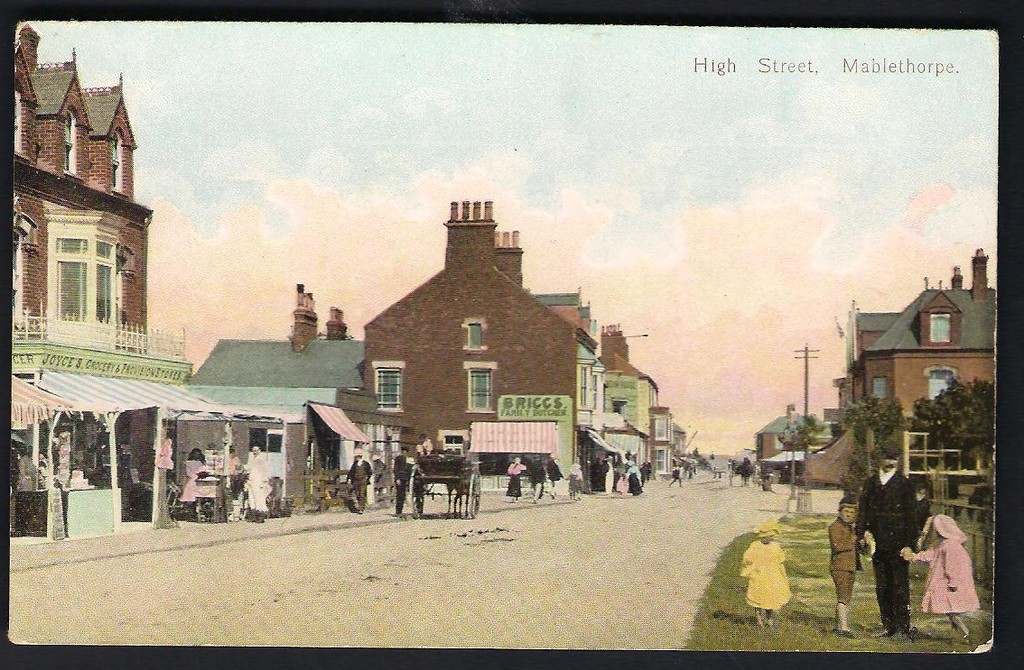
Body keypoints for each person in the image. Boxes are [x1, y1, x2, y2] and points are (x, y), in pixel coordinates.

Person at [856, 446, 919, 640]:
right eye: (886, 457)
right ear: (879, 460)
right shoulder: (870, 483)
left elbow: (912, 517)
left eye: (893, 458)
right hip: (877, 544)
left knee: (899, 586)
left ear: (898, 460)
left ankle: (902, 628)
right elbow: (863, 511)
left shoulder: (905, 484)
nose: (890, 461)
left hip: (899, 544)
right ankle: (888, 626)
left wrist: (910, 544)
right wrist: (861, 533)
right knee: (882, 586)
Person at [901, 514, 980, 644]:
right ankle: (959, 634)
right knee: (949, 609)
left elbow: (952, 566)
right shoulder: (943, 544)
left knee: (951, 610)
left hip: (950, 583)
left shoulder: (951, 546)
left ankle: (965, 633)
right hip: (945, 581)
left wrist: (953, 582)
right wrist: (914, 557)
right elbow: (931, 554)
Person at [740, 519, 792, 629]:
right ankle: (759, 622)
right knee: (757, 599)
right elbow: (747, 558)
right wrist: (752, 567)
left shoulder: (775, 547)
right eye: (766, 536)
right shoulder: (755, 546)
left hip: (771, 577)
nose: (768, 538)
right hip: (758, 576)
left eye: (771, 536)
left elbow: (781, 559)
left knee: (770, 600)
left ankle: (770, 621)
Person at [829, 498, 861, 637]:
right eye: (846, 511)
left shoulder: (850, 528)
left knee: (846, 597)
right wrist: (853, 539)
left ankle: (838, 626)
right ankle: (844, 628)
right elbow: (838, 546)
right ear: (840, 512)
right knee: (843, 597)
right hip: (840, 567)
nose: (848, 514)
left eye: (852, 512)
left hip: (849, 567)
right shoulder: (835, 527)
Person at [178, 448, 209, 516]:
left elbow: (204, 470)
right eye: (195, 454)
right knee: (192, 497)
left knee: (198, 496)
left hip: (199, 481)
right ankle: (191, 511)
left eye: (198, 455)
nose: (196, 456)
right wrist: (197, 475)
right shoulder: (189, 463)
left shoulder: (201, 463)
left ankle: (196, 511)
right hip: (193, 481)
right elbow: (188, 473)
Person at [244, 445, 271, 522]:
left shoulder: (261, 460)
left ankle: (261, 516)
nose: (254, 452)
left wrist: (264, 481)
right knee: (252, 498)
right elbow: (249, 469)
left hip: (259, 481)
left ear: (259, 451)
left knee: (259, 498)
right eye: (253, 450)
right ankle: (254, 515)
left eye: (256, 450)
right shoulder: (252, 459)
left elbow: (265, 470)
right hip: (252, 481)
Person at [393, 447, 414, 516]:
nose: (404, 453)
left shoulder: (409, 459)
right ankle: (398, 511)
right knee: (399, 495)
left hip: (406, 478)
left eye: (406, 452)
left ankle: (400, 510)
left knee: (403, 495)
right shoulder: (398, 458)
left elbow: (411, 469)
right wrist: (397, 478)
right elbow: (396, 469)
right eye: (403, 452)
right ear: (402, 452)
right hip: (400, 478)